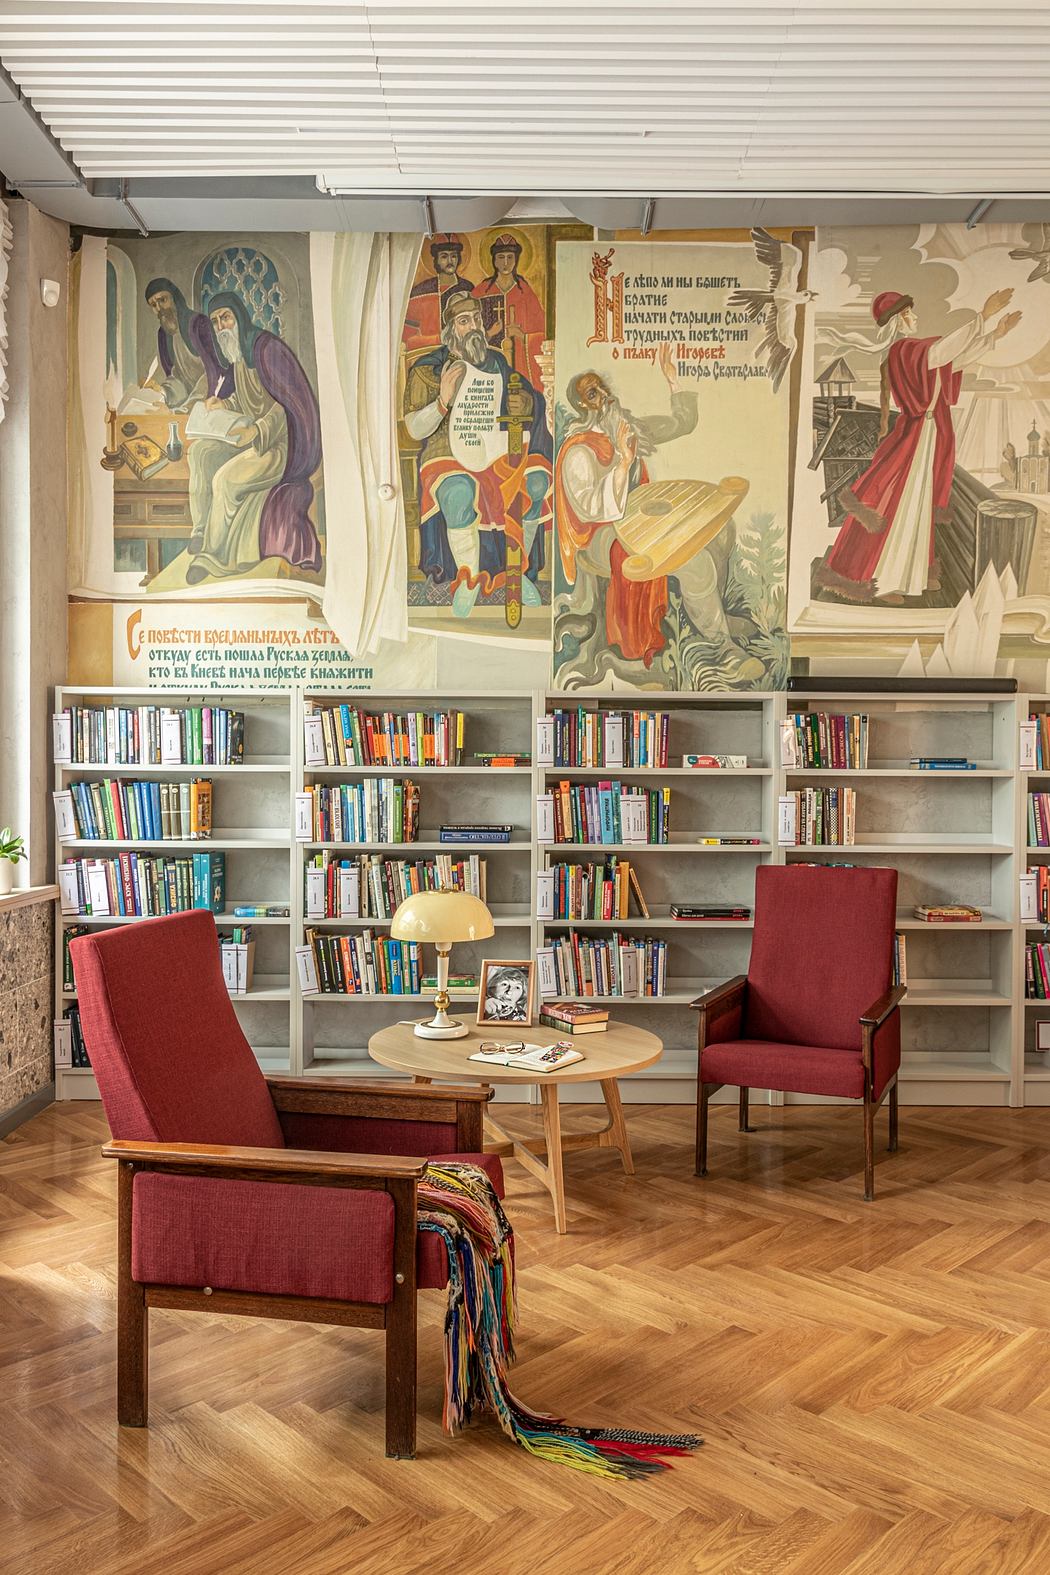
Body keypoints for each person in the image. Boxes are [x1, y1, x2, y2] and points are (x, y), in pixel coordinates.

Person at [816, 287, 1021, 605]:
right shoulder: (903, 351)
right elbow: (943, 351)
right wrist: (983, 316)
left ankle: (911, 574)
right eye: (908, 313)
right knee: (900, 505)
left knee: (917, 506)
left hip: (926, 438)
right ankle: (883, 580)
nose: (915, 317)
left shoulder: (915, 353)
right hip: (914, 440)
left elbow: (955, 358)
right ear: (896, 321)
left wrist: (995, 334)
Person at [402, 289, 553, 617]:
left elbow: (524, 399)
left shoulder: (496, 362)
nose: (473, 327)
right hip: (446, 455)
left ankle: (516, 571)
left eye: (476, 319)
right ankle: (468, 580)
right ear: (450, 330)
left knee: (537, 483)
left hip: (496, 451)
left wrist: (525, 404)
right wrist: (442, 400)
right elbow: (414, 428)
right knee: (458, 494)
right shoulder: (429, 369)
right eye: (464, 321)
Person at [556, 343, 700, 666]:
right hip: (598, 534)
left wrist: (673, 380)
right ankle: (633, 644)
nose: (604, 396)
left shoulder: (627, 429)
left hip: (636, 521)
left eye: (602, 388)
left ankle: (667, 625)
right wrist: (623, 461)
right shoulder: (579, 450)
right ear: (583, 406)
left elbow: (682, 423)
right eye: (593, 394)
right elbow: (590, 507)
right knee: (633, 550)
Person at [184, 291, 323, 585]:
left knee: (225, 480)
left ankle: (211, 557)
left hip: (283, 446)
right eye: (215, 321)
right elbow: (251, 400)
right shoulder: (238, 354)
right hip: (253, 438)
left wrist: (257, 431)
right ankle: (200, 532)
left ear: (239, 317)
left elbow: (285, 405)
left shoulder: (268, 349)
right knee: (200, 453)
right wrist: (225, 404)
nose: (221, 327)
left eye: (225, 318)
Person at [473, 233, 547, 390]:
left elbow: (542, 329)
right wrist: (490, 333)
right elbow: (468, 331)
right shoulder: (481, 291)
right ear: (494, 260)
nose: (505, 263)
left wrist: (523, 336)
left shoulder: (525, 291)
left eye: (510, 257)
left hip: (520, 359)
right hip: (490, 359)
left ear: (516, 260)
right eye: (501, 257)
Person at [141, 277, 225, 411]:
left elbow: (213, 369)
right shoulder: (163, 334)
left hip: (212, 395)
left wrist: (188, 407)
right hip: (186, 401)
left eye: (162, 300)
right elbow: (176, 377)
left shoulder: (199, 323)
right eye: (153, 305)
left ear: (174, 298)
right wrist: (162, 391)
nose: (159, 308)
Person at [401, 234, 475, 352]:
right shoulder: (421, 292)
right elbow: (407, 341)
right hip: (428, 354)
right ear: (436, 260)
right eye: (444, 256)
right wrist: (439, 339)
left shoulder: (468, 289)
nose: (450, 261)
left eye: (454, 256)